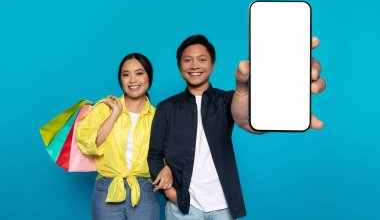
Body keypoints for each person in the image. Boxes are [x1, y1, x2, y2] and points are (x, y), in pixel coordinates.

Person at [148, 34, 326, 219]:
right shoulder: (166, 107)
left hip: (224, 206)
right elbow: (154, 154)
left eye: (202, 59)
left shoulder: (227, 100)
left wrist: (277, 102)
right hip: (183, 205)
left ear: (212, 64)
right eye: (187, 60)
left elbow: (247, 120)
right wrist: (168, 192)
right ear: (179, 65)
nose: (195, 66)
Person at [76, 53, 160, 220]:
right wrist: (114, 114)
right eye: (126, 74)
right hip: (107, 188)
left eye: (139, 73)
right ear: (120, 79)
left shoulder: (158, 116)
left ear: (149, 77)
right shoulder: (104, 108)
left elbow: (165, 157)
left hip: (144, 189)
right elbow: (89, 144)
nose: (133, 80)